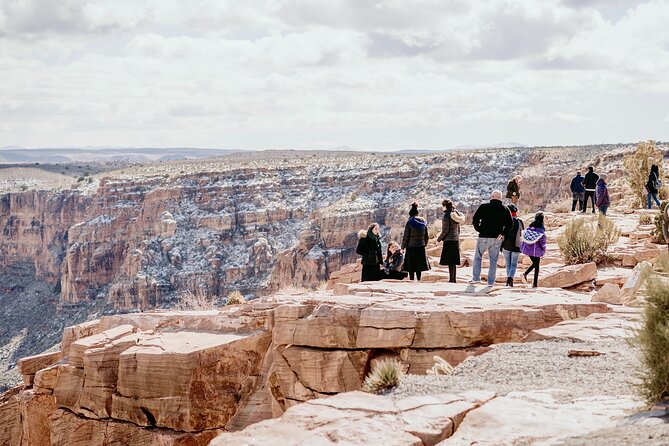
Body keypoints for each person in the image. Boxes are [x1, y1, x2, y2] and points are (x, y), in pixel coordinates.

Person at [471, 190, 513, 286]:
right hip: (497, 237)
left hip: (483, 236)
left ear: (492, 196)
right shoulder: (505, 209)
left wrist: (479, 229)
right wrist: (503, 233)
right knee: (493, 260)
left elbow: (475, 219)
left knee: (478, 257)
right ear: (500, 198)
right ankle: (490, 282)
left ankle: (476, 278)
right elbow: (510, 223)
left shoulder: (484, 207)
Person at [437, 199, 465, 283]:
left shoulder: (446, 216)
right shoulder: (456, 214)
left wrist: (439, 239)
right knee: (453, 262)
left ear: (445, 206)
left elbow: (445, 230)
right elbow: (458, 229)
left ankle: (451, 280)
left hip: (449, 240)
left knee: (450, 262)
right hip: (455, 239)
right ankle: (453, 279)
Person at [402, 202, 431, 281]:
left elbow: (406, 236)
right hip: (421, 246)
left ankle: (411, 280)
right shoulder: (423, 221)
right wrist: (424, 244)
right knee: (419, 265)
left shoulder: (409, 222)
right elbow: (426, 235)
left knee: (411, 265)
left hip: (411, 246)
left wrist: (403, 247)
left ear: (410, 214)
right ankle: (419, 280)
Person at [501, 204, 525, 287]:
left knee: (508, 264)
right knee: (514, 264)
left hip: (506, 245)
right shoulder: (519, 222)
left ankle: (508, 280)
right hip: (516, 245)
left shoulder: (504, 221)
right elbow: (522, 233)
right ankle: (510, 279)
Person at [521, 212, 546, 288]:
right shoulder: (541, 227)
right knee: (537, 266)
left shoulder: (531, 225)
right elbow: (542, 240)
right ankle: (534, 283)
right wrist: (543, 249)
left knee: (535, 264)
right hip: (536, 250)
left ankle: (526, 275)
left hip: (528, 249)